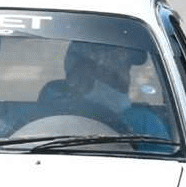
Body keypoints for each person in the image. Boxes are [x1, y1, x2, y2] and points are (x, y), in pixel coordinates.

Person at [39, 40, 168, 137]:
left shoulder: (144, 121)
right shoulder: (46, 113)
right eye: (112, 72)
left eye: (125, 67)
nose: (125, 77)